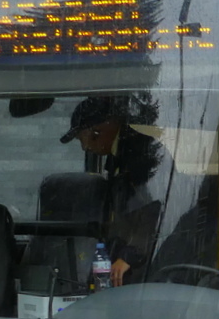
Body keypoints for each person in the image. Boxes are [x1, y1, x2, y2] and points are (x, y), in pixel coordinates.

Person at [60, 97, 168, 286]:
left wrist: (130, 255)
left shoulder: (141, 155)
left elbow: (153, 208)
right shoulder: (122, 154)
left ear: (96, 132)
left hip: (144, 265)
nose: (85, 147)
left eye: (82, 139)